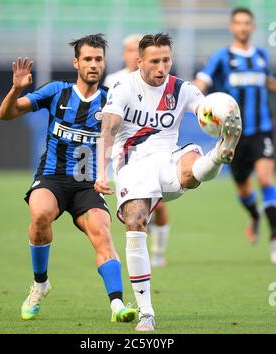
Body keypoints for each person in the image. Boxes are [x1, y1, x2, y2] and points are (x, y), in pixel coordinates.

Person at [94, 33, 242, 331]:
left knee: (190, 168)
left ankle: (220, 153)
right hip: (132, 163)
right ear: (140, 62)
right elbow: (108, 130)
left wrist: (218, 114)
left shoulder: (181, 89)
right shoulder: (123, 86)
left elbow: (204, 111)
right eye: (155, 61)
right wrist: (100, 172)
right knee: (135, 223)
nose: (162, 67)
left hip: (166, 157)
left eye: (166, 60)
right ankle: (146, 311)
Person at [0, 34, 137, 323]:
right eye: (88, 59)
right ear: (76, 62)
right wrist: (15, 89)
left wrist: (109, 176)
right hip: (52, 178)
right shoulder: (56, 92)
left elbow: (123, 143)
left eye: (98, 59)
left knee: (103, 234)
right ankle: (40, 285)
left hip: (88, 185)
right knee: (39, 216)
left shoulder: (111, 100)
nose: (93, 64)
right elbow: (5, 115)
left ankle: (117, 306)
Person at [193, 7, 276, 264]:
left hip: (262, 129)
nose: (242, 27)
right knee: (244, 189)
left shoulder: (262, 56)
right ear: (232, 27)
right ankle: (254, 216)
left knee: (265, 178)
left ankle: (274, 237)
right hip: (233, 135)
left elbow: (270, 83)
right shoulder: (221, 56)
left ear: (252, 27)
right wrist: (194, 96)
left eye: (247, 23)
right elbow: (203, 81)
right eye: (238, 23)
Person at [104, 34, 170, 268]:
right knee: (134, 210)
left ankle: (159, 252)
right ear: (126, 55)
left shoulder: (159, 82)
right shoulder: (114, 80)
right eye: (130, 50)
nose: (134, 55)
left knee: (159, 205)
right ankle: (140, 245)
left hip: (151, 151)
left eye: (137, 50)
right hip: (124, 154)